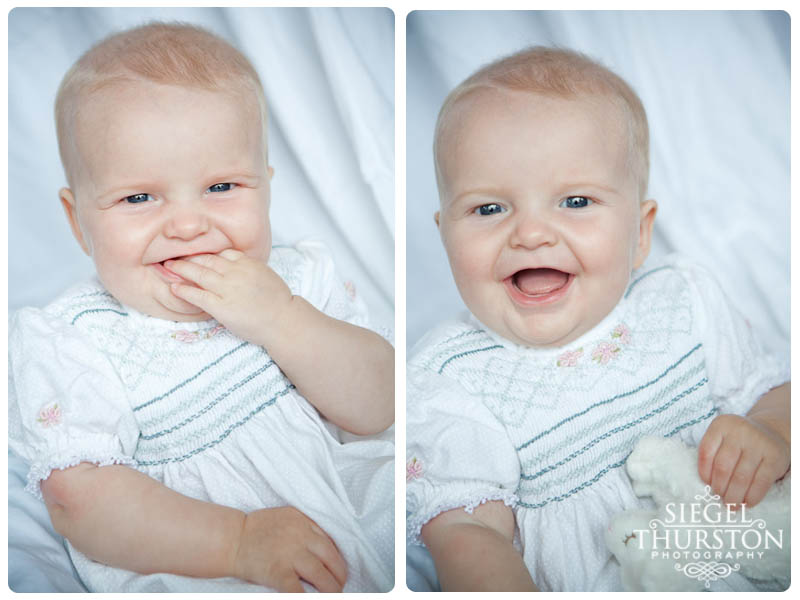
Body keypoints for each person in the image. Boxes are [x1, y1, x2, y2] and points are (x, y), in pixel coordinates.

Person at [8, 22, 394, 593]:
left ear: (265, 186)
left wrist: (283, 319)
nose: (189, 225)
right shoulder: (74, 338)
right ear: (78, 221)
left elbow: (379, 405)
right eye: (138, 198)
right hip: (204, 565)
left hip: (363, 528)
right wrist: (235, 542)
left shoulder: (296, 278)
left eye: (221, 187)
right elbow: (80, 498)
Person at [406, 46, 790, 592]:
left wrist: (769, 430)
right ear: (444, 233)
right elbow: (468, 533)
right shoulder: (449, 378)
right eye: (489, 209)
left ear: (639, 232)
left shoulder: (682, 302)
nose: (531, 234)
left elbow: (777, 393)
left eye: (577, 201)